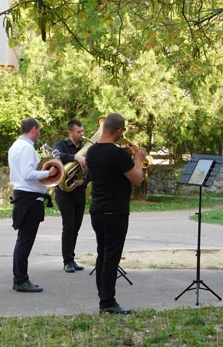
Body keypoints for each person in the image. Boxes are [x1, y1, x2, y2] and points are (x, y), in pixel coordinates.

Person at [86, 113, 146, 314]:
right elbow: (137, 179)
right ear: (119, 130)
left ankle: (103, 297)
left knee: (102, 254)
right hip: (115, 211)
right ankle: (108, 302)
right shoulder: (118, 155)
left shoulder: (92, 151)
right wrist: (138, 159)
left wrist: (123, 153)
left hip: (97, 209)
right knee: (112, 257)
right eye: (123, 130)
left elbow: (108, 161)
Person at [8, 117, 60, 292]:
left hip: (23, 197)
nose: (39, 133)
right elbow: (28, 173)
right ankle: (21, 280)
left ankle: (19, 279)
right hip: (29, 199)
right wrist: (49, 171)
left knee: (22, 240)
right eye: (39, 130)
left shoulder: (15, 146)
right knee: (25, 241)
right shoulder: (27, 148)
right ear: (33, 129)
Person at [53, 119, 87, 273]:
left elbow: (91, 169)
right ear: (70, 133)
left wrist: (84, 180)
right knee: (69, 226)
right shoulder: (61, 145)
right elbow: (55, 157)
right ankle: (67, 261)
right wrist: (74, 157)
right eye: (79, 132)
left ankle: (72, 258)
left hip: (79, 191)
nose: (82, 134)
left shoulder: (85, 148)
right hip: (64, 192)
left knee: (76, 227)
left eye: (82, 131)